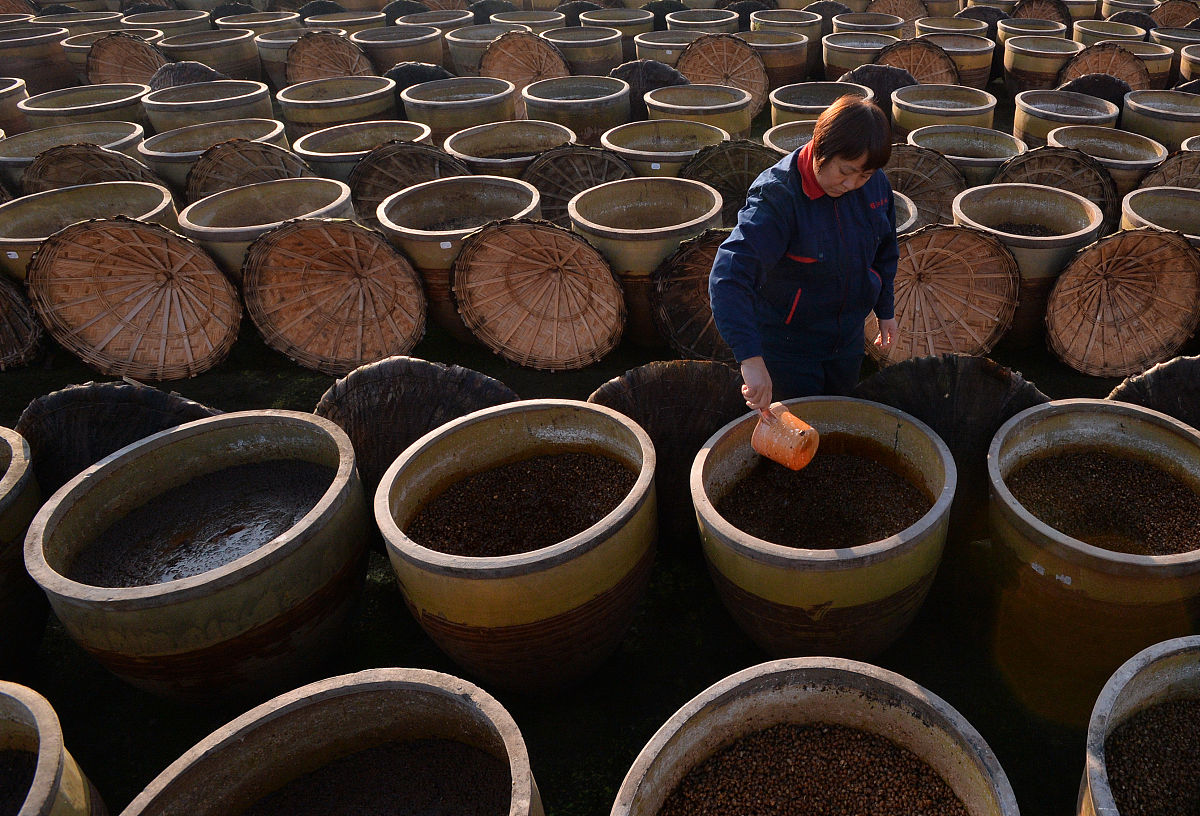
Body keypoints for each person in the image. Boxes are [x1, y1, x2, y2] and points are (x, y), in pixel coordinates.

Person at [708, 95, 900, 412]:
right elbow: (728, 277)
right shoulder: (778, 196)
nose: (852, 184)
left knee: (837, 416)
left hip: (847, 339)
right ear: (820, 147)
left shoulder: (875, 186)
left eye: (863, 174)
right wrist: (751, 360)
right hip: (789, 347)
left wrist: (885, 309)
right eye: (845, 171)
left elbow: (885, 250)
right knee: (794, 430)